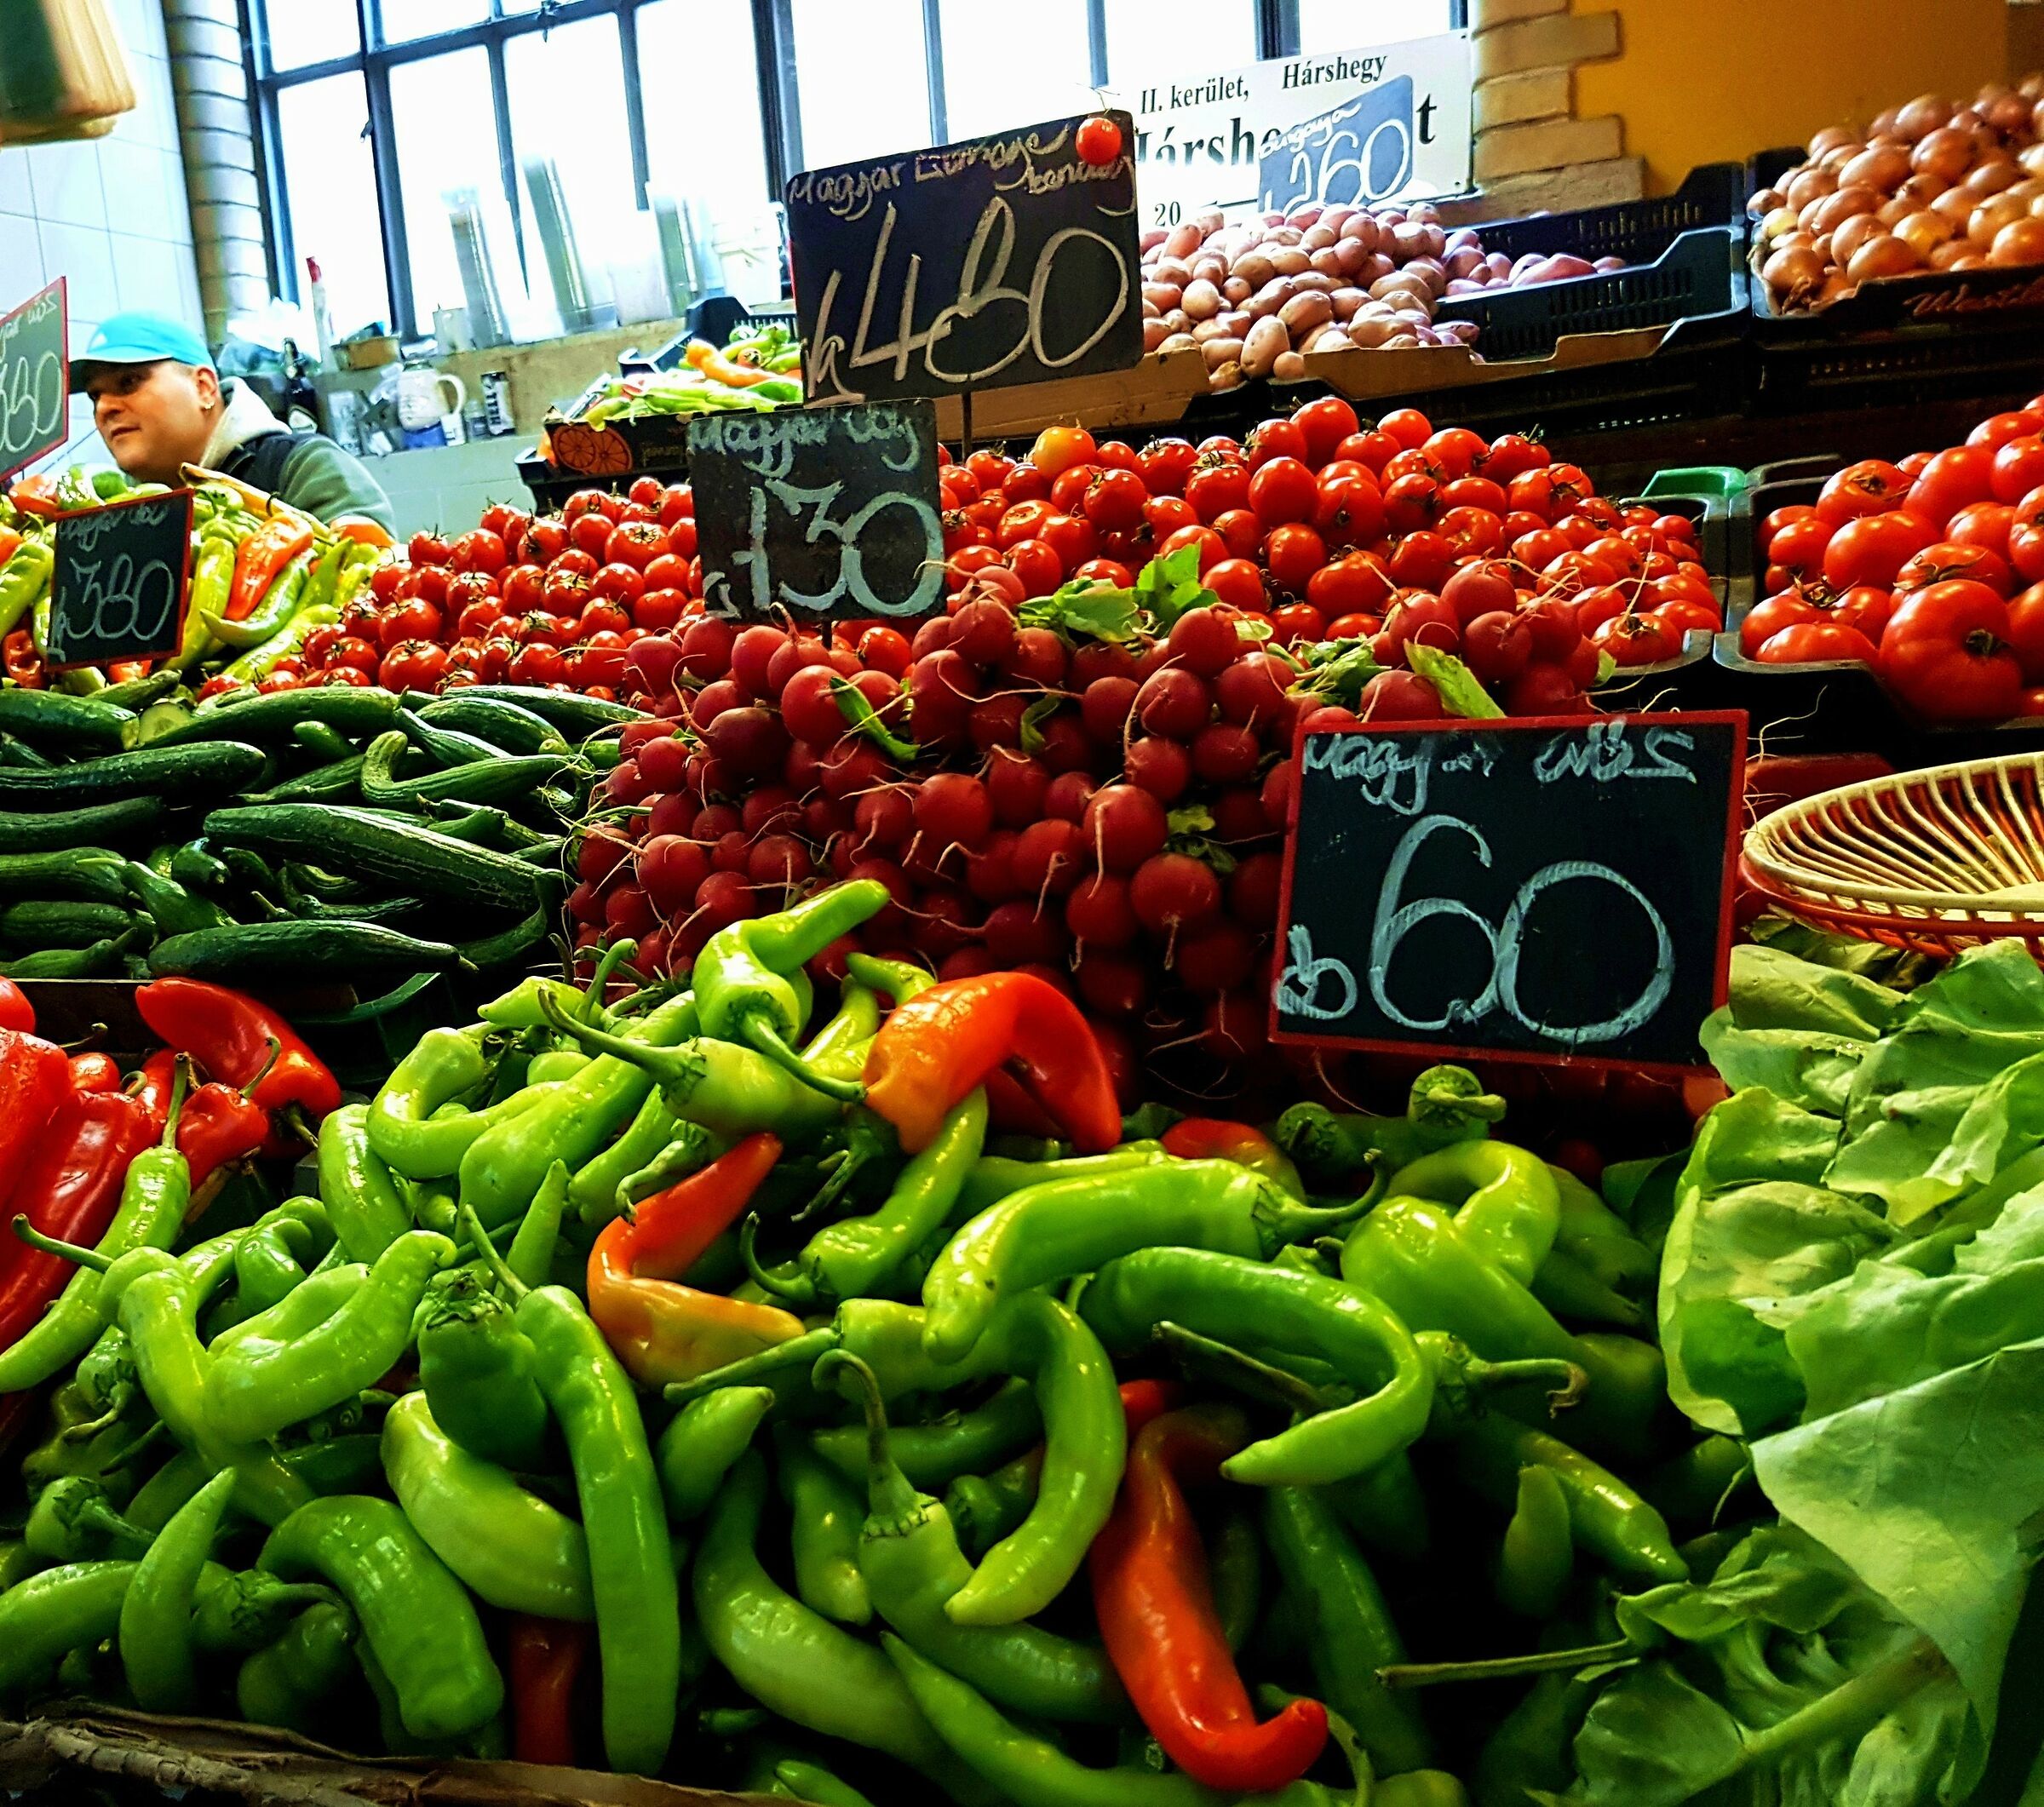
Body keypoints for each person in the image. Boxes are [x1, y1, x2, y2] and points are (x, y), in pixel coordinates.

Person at [71, 311, 394, 533]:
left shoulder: (301, 468)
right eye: (95, 396)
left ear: (203, 387)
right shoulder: (109, 514)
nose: (104, 408)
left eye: (128, 383)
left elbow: (374, 582)